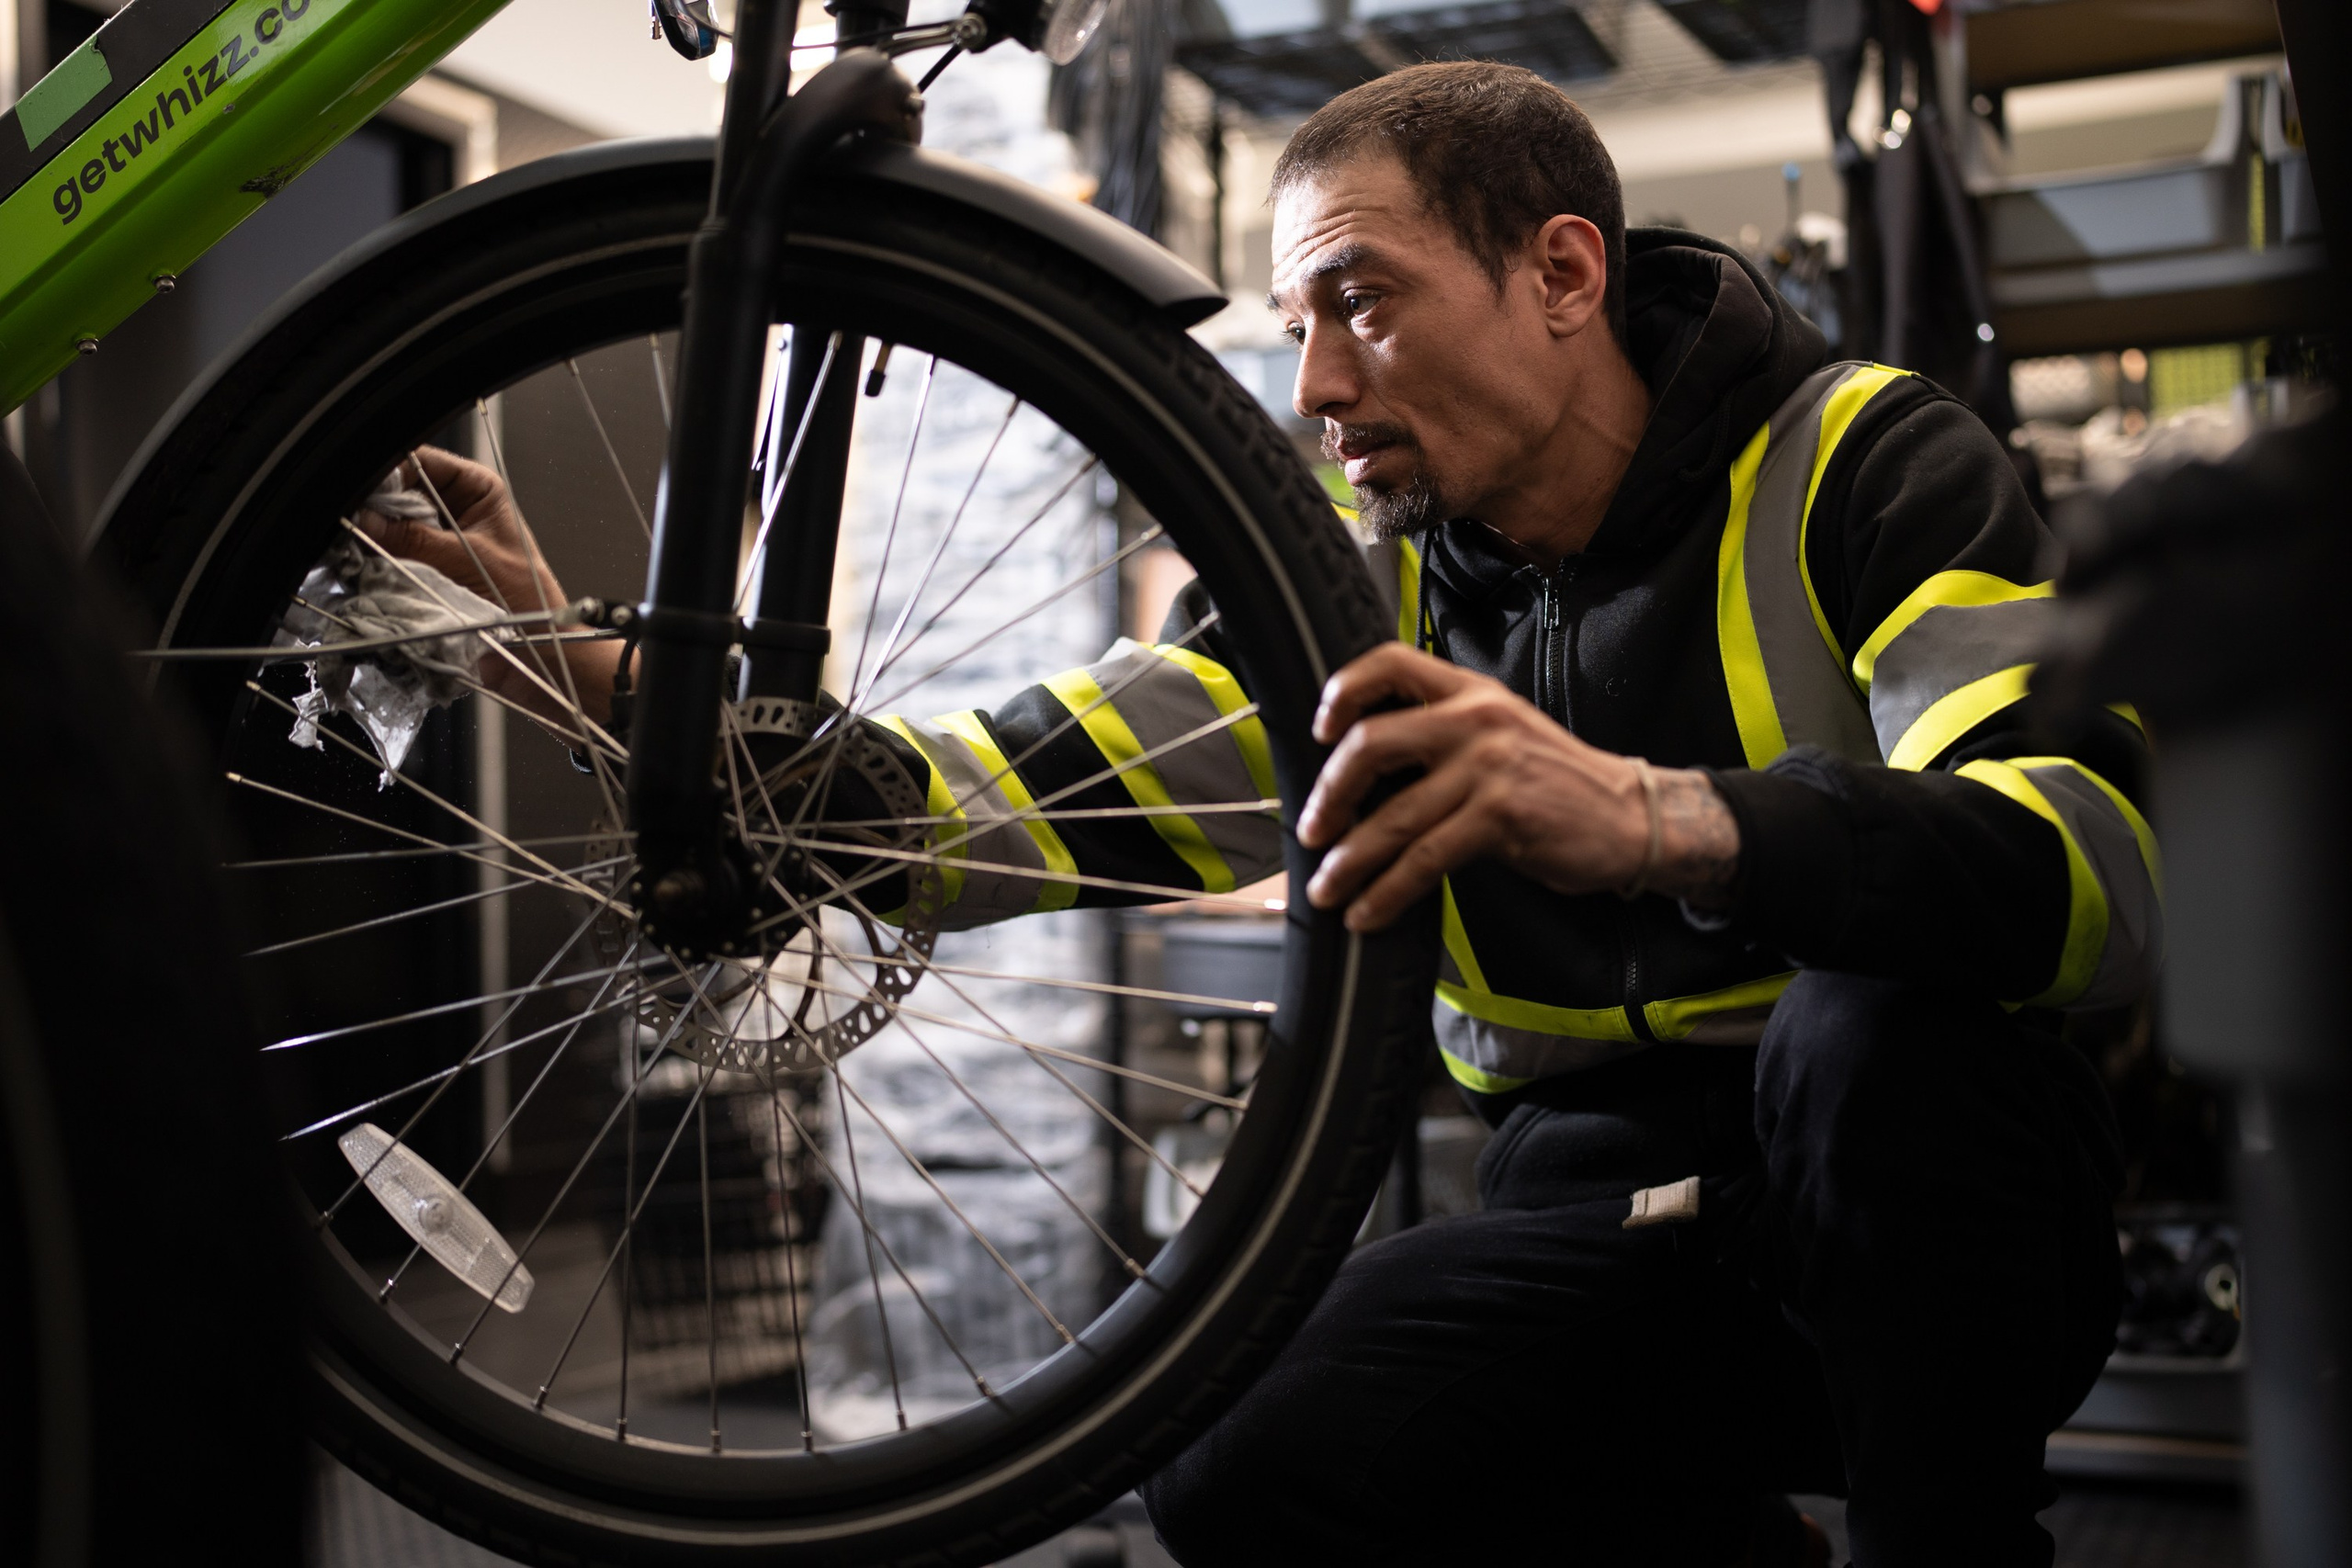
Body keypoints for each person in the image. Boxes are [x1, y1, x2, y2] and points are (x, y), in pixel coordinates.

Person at [374, 61, 2153, 1568]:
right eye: (1295, 326)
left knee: (1867, 1031)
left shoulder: (1866, 459)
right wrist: (591, 681)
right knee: (1238, 1451)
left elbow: (2085, 873)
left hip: (1931, 1200)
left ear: (1559, 270)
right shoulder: (1336, 589)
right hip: (1606, 1226)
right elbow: (965, 804)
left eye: (1358, 301)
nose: (1312, 388)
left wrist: (1652, 815)